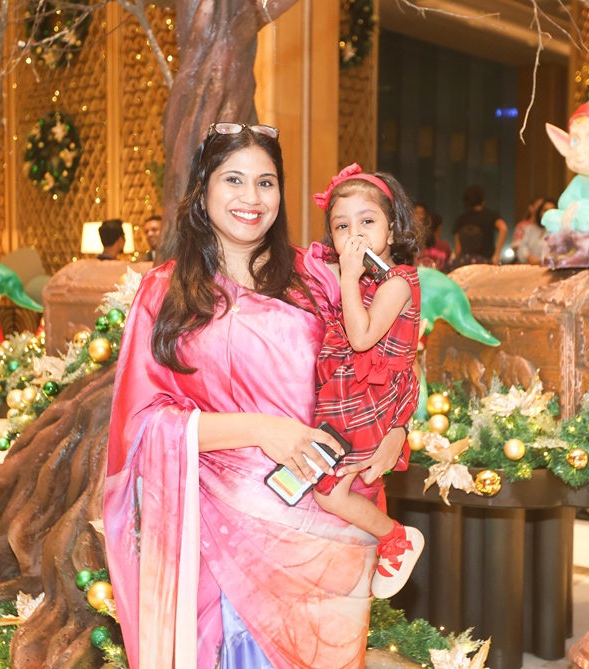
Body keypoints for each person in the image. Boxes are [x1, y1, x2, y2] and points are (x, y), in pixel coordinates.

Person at [103, 122, 407, 668]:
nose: (252, 197)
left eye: (266, 182)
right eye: (233, 180)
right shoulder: (165, 293)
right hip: (217, 531)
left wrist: (400, 428)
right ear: (203, 191)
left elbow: (390, 355)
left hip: (323, 524)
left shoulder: (318, 279)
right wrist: (262, 430)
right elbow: (140, 424)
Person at [310, 163, 424, 599]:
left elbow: (361, 338)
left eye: (367, 222)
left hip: (371, 399)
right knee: (329, 486)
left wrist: (348, 277)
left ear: (392, 230)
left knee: (330, 492)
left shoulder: (399, 281)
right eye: (342, 226)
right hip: (349, 396)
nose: (354, 235)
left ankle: (397, 539)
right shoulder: (361, 282)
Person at [453, 184, 507, 264]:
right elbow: (503, 228)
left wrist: (458, 260)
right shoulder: (491, 215)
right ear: (482, 199)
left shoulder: (462, 219)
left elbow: (458, 248)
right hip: (487, 260)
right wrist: (497, 254)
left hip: (467, 263)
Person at [513, 198, 555, 265]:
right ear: (540, 212)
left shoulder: (559, 231)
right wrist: (529, 257)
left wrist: (540, 261)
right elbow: (522, 247)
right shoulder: (531, 229)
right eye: (545, 210)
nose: (548, 213)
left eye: (551, 210)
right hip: (530, 266)